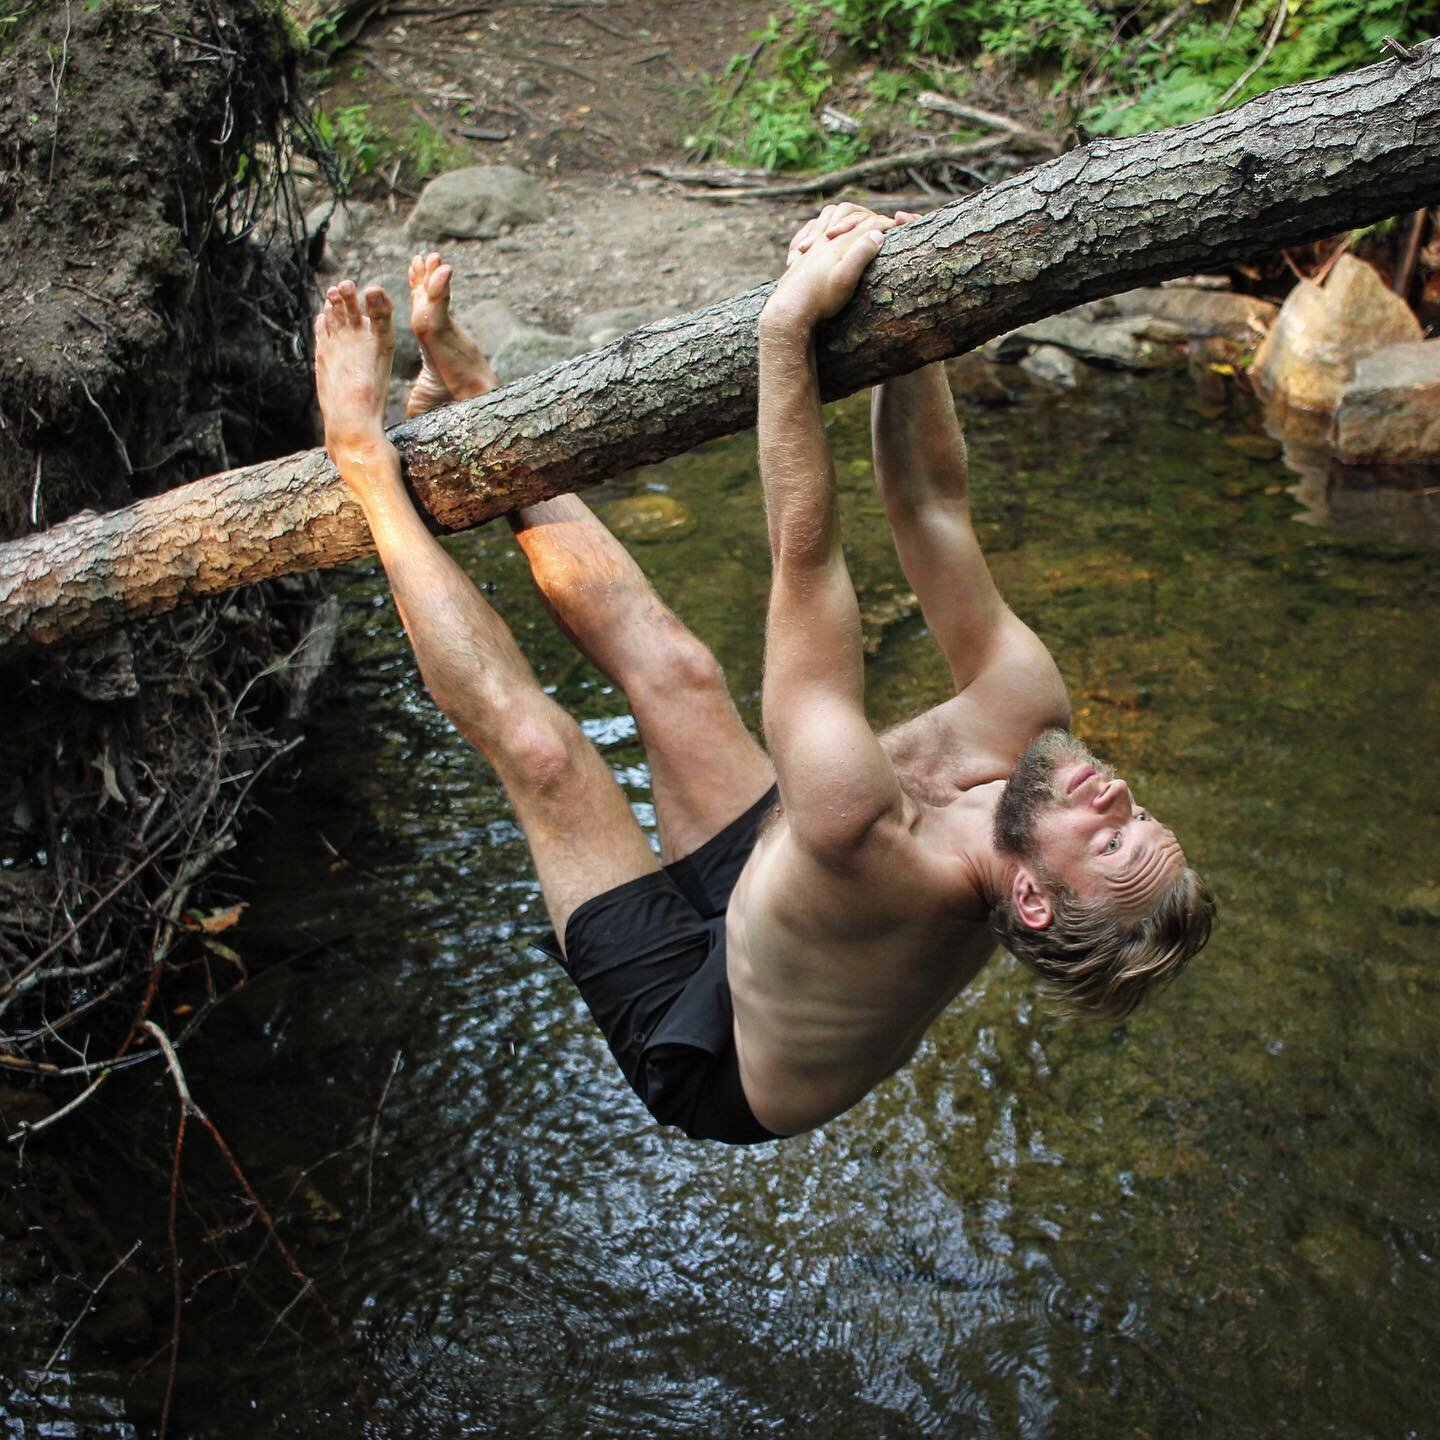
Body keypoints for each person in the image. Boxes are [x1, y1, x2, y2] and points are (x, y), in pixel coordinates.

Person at [311, 211, 1214, 1147]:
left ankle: (363, 461)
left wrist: (786, 328)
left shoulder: (862, 836)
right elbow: (933, 506)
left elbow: (806, 563)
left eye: (1110, 845)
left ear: (1030, 899)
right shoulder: (1031, 729)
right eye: (1142, 820)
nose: (1116, 796)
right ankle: (477, 399)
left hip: (720, 1050)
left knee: (546, 753)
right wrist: (910, 315)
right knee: (680, 670)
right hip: (783, 909)